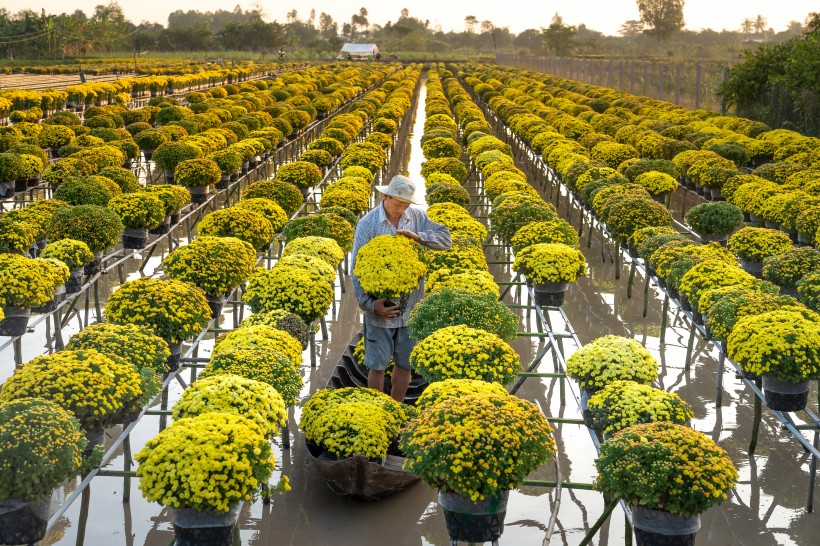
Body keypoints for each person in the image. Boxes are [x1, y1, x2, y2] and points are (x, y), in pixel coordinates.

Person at [351, 175, 452, 402]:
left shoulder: (416, 216)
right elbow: (355, 269)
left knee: (405, 364)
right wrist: (370, 305)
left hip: (411, 309)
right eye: (398, 204)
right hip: (381, 310)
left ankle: (395, 408)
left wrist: (418, 237)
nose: (402, 209)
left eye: (406, 205)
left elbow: (446, 240)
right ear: (385, 197)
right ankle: (376, 410)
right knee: (376, 365)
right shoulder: (368, 224)